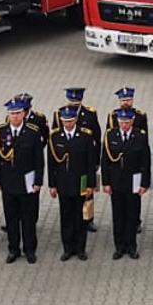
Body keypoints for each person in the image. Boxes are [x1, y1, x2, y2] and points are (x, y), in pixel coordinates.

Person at [0, 97, 45, 264]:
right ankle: (13, 249)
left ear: (23, 114)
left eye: (18, 113)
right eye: (12, 113)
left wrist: (38, 181)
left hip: (27, 183)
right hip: (8, 183)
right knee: (11, 219)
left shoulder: (33, 132)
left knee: (28, 219)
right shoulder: (1, 132)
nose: (15, 116)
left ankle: (30, 249)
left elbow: (39, 160)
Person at [47, 105, 99, 261]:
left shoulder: (85, 136)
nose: (67, 124)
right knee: (66, 217)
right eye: (64, 121)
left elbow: (90, 164)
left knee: (81, 217)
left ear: (76, 120)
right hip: (63, 184)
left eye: (70, 121)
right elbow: (51, 164)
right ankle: (68, 249)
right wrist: (52, 185)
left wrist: (91, 185)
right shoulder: (55, 137)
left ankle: (80, 249)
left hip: (81, 183)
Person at [102, 107, 151, 260]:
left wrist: (145, 183)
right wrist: (106, 182)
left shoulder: (139, 136)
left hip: (133, 181)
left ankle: (131, 246)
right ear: (118, 122)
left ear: (132, 121)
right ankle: (119, 247)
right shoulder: (111, 135)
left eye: (127, 122)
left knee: (132, 215)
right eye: (121, 122)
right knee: (118, 216)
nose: (124, 125)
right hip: (116, 182)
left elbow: (146, 161)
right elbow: (105, 161)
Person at [58, 87, 101, 233]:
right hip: (67, 162)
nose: (73, 104)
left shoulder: (90, 113)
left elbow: (97, 138)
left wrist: (96, 161)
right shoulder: (60, 113)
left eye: (76, 102)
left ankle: (89, 219)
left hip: (86, 161)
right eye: (71, 101)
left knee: (88, 192)